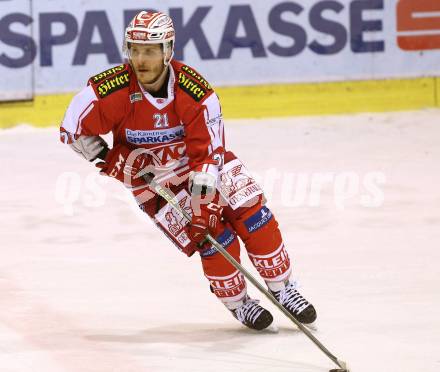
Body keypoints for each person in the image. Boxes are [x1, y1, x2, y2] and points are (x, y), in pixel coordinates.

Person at [60, 10, 316, 330]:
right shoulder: (108, 91)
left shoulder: (194, 91)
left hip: (202, 166)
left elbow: (208, 151)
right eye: (135, 50)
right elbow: (71, 130)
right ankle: (239, 303)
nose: (141, 59)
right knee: (212, 239)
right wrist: (110, 158)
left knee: (252, 214)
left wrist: (203, 201)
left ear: (168, 51)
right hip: (151, 182)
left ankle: (283, 288)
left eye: (150, 51)